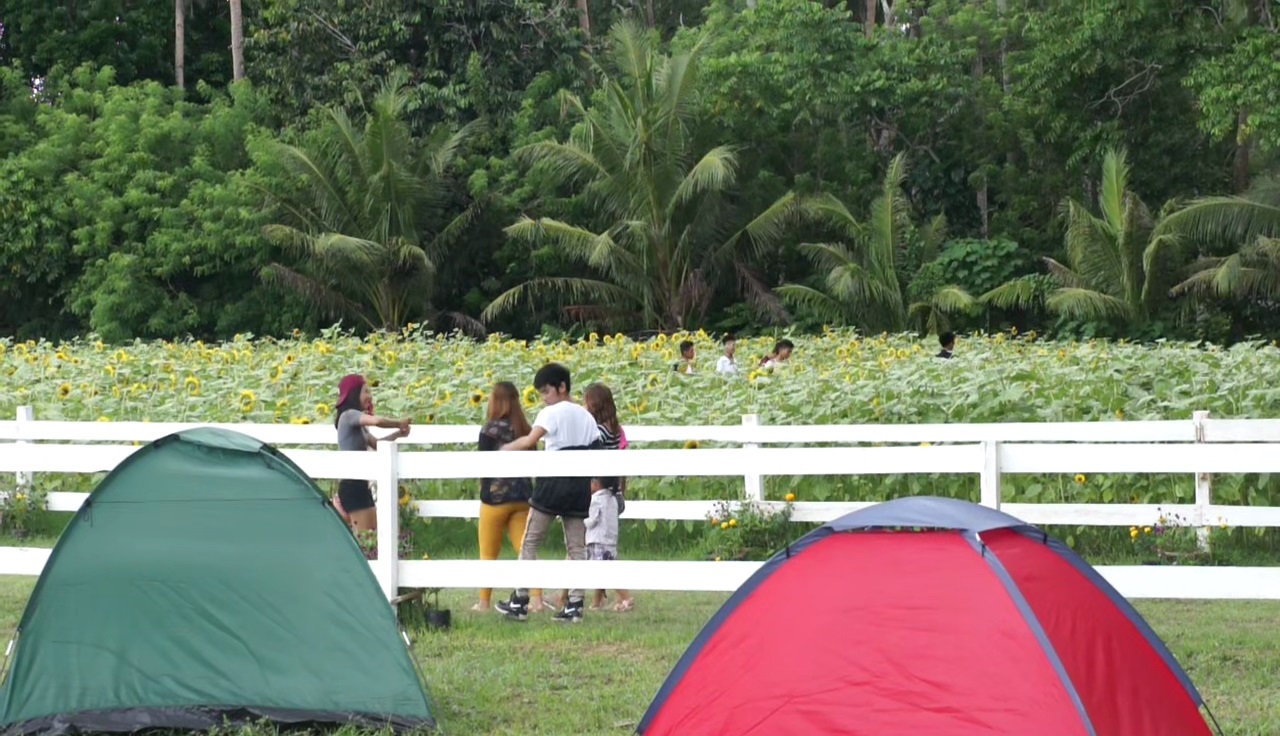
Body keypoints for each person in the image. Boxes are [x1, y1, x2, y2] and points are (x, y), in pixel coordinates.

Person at [495, 363, 602, 623]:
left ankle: (520, 600)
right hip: (579, 486)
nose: (544, 398)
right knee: (577, 547)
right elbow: (597, 449)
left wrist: (503, 450)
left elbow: (530, 440)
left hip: (552, 484)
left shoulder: (550, 413)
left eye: (546, 391)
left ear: (561, 387)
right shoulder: (587, 417)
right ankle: (575, 604)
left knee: (530, 541)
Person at [474, 382, 547, 613]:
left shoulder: (489, 430)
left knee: (488, 552)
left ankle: (484, 602)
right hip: (522, 497)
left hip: (494, 499)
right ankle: (537, 599)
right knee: (525, 549)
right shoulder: (525, 429)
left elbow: (484, 466)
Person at [334, 374, 411, 532]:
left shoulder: (359, 426)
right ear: (354, 394)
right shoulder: (348, 415)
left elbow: (378, 444)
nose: (370, 396)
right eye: (366, 391)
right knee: (367, 536)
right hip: (352, 486)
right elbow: (377, 421)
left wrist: (398, 434)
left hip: (361, 485)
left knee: (371, 535)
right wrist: (398, 423)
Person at [584, 383, 634, 612]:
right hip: (614, 492)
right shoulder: (616, 429)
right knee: (601, 545)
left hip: (600, 492)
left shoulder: (598, 432)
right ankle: (598, 599)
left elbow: (592, 461)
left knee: (599, 549)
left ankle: (624, 596)